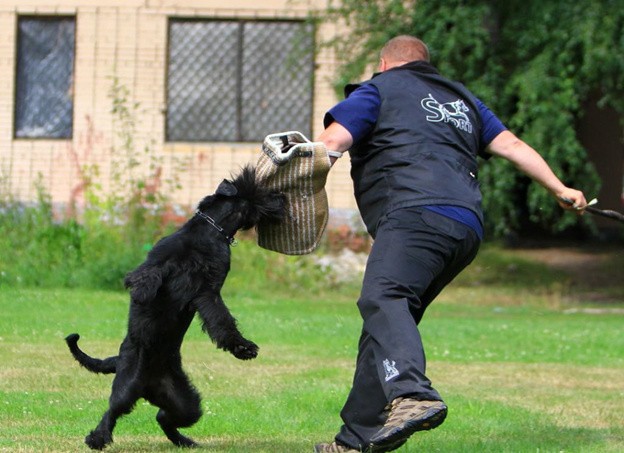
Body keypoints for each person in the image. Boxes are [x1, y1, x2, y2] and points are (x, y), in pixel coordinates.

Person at [312, 35, 587, 453]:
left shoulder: (378, 89)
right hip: (465, 227)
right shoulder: (462, 100)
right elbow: (511, 145)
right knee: (386, 322)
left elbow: (333, 142)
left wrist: (293, 183)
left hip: (414, 214)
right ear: (426, 64)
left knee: (383, 297)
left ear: (384, 64)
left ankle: (412, 394)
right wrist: (559, 187)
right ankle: (355, 441)